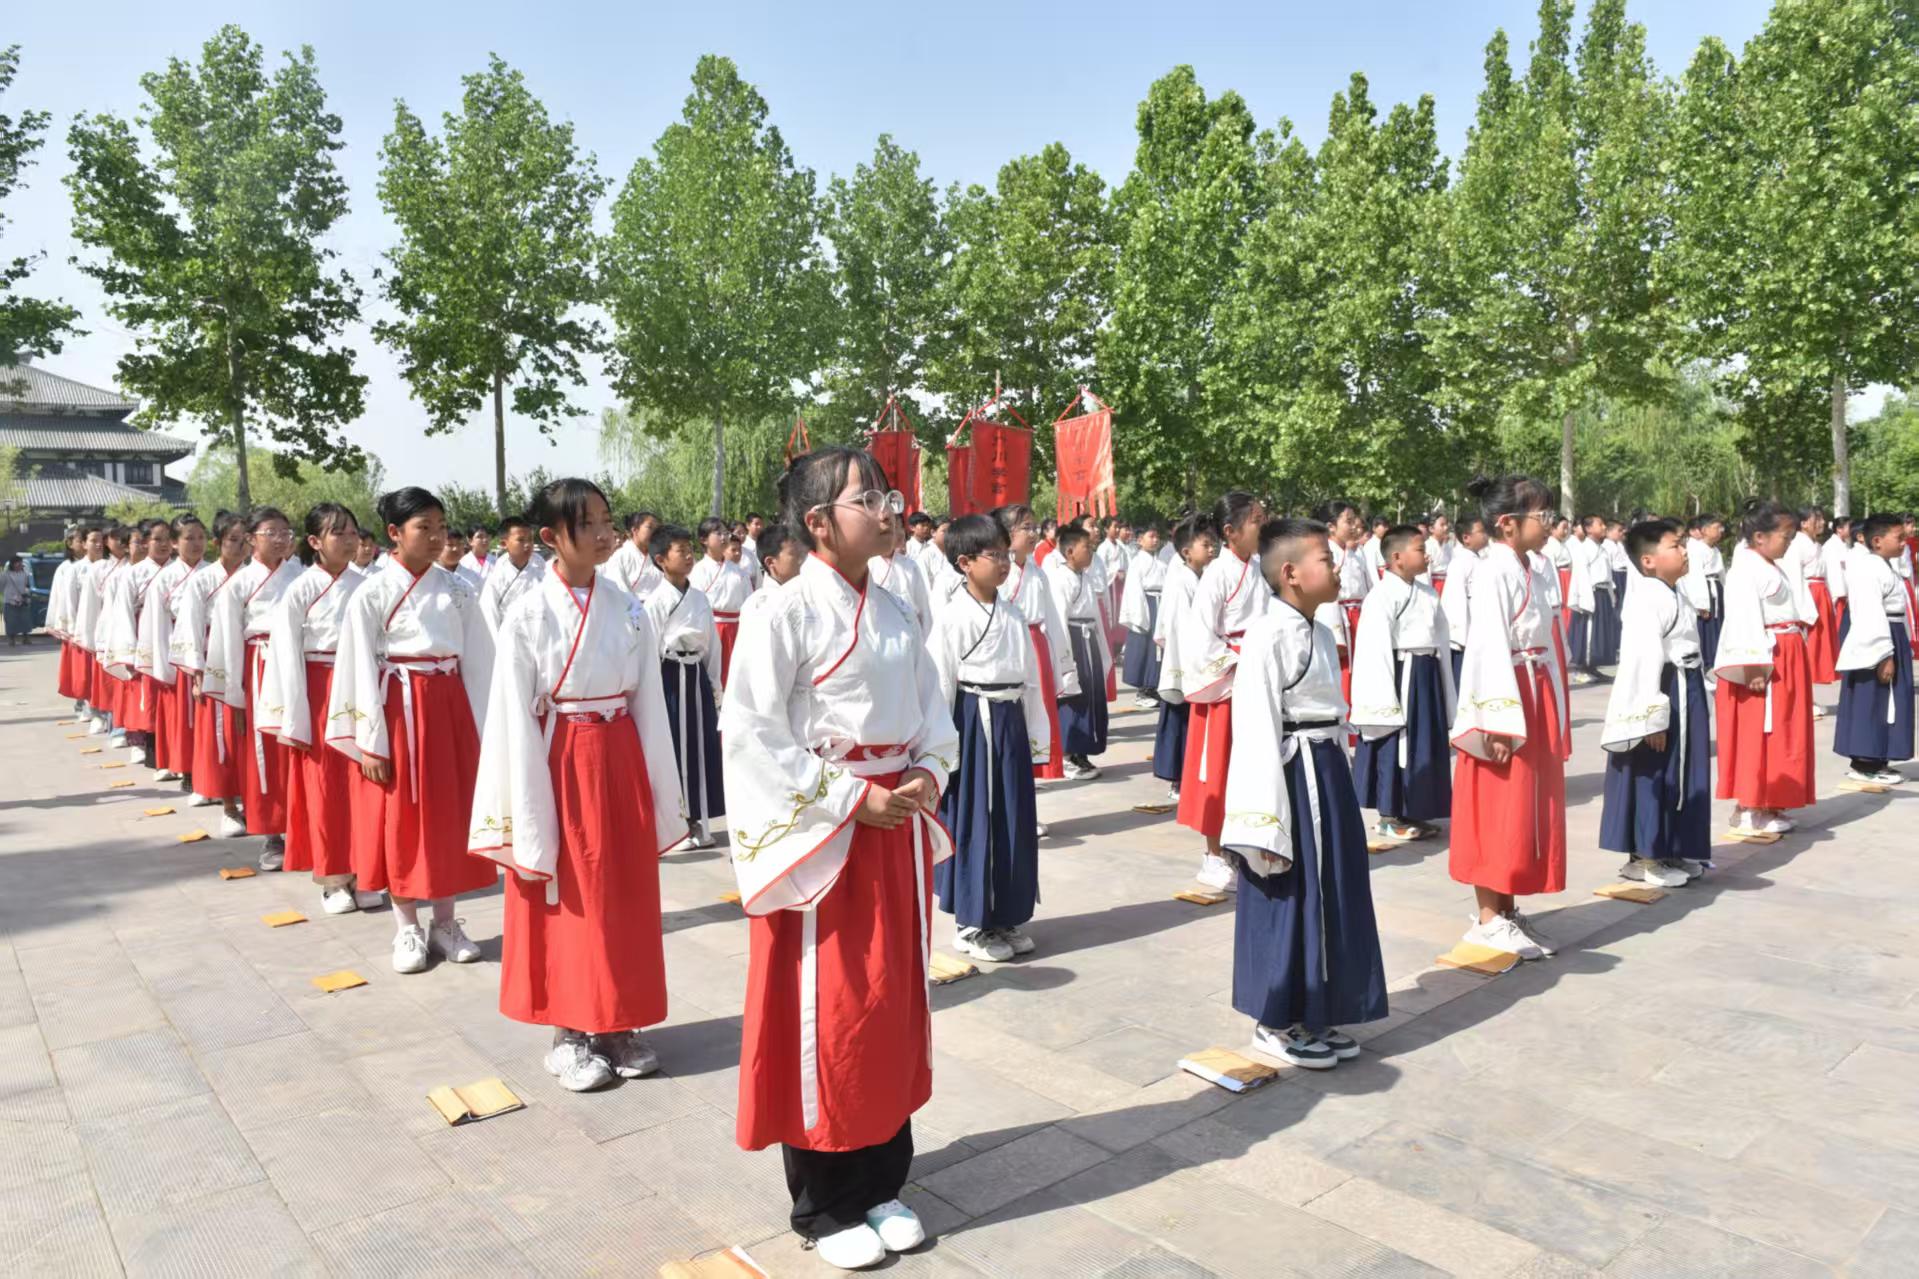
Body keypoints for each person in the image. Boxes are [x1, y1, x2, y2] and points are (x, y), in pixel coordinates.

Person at [720, 447, 956, 1271]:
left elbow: (933, 710)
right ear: (819, 521)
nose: (889, 510)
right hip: (824, 835)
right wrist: (852, 797)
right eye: (869, 498)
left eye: (888, 495)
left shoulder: (895, 608)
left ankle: (883, 1180)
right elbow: (751, 730)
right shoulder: (777, 611)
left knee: (888, 1002)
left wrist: (927, 770)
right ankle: (824, 1202)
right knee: (828, 1011)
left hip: (893, 826)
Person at [470, 477, 689, 1093]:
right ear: (550, 536)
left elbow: (649, 701)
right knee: (570, 892)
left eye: (606, 520)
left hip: (621, 751)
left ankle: (618, 1022)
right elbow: (512, 711)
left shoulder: (627, 606)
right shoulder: (529, 612)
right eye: (586, 523)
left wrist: (658, 783)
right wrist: (524, 802)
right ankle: (568, 1033)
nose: (602, 533)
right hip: (561, 756)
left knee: (623, 892)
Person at [1220, 517, 1388, 1069]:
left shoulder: (1318, 630)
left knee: (1332, 887)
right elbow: (1255, 728)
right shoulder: (1267, 634)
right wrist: (1261, 822)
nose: (1337, 569)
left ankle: (1318, 1008)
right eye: (1326, 559)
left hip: (1326, 767)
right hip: (1289, 775)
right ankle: (1274, 1019)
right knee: (1288, 891)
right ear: (1290, 573)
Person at [327, 487, 496, 973]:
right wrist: (370, 741)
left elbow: (481, 660)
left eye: (441, 526)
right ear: (395, 533)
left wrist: (488, 728)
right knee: (401, 818)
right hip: (398, 708)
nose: (437, 536)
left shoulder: (460, 590)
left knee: (448, 815)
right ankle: (406, 927)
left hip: (449, 707)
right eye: (425, 527)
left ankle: (445, 922)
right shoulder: (372, 592)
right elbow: (357, 665)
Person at [1449, 474, 1566, 960]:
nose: (1549, 523)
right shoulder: (1492, 571)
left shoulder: (1531, 566)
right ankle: (1487, 917)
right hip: (1507, 693)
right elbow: (1486, 646)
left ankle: (1508, 908)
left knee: (1524, 805)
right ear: (1508, 524)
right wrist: (1495, 721)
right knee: (1498, 803)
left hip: (1533, 687)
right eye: (1541, 515)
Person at [929, 514, 1048, 965]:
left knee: (1013, 817)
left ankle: (1007, 914)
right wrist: (942, 749)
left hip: (1009, 719)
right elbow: (940, 684)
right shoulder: (951, 617)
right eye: (994, 555)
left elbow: (1030, 679)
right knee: (976, 818)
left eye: (1006, 554)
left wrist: (1034, 732)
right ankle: (972, 921)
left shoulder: (1012, 613)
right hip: (972, 721)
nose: (1004, 563)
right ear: (964, 562)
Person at [259, 503, 374, 915]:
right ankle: (333, 879)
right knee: (325, 788)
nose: (349, 540)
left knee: (364, 784)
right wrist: (294, 714)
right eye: (338, 532)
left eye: (352, 532)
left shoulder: (368, 586)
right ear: (315, 541)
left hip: (362, 689)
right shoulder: (299, 590)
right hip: (319, 691)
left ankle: (365, 871)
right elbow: (284, 654)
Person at [1598, 520, 1711, 889]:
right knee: (1656, 772)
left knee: (1681, 771)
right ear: (1648, 560)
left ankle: (1672, 848)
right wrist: (1652, 717)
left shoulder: (1673, 591)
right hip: (1663, 688)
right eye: (1675, 545)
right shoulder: (1647, 597)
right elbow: (1643, 659)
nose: (1684, 551)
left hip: (1685, 684)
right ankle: (1646, 856)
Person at [1178, 492, 1269, 892]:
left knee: (1253, 768)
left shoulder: (1261, 568)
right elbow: (1200, 635)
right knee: (1218, 768)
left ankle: (1244, 844)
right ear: (1231, 531)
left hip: (1258, 675)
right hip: (1227, 685)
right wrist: (1234, 662)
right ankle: (1213, 854)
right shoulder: (1217, 573)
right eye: (1256, 521)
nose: (1263, 527)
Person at [203, 508, 303, 869]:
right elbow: (228, 641)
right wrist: (235, 695)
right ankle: (272, 834)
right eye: (270, 532)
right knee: (266, 752)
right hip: (259, 665)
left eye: (285, 532)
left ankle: (304, 831)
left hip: (299, 665)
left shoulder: (301, 576)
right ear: (252, 539)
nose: (280, 539)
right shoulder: (239, 584)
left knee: (300, 747)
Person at [1713, 500, 1816, 836]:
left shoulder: (1767, 565)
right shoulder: (1746, 568)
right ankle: (1750, 806)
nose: (1789, 543)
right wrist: (1754, 665)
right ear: (1760, 536)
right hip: (1766, 658)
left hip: (1786, 653)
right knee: (1759, 732)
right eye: (1785, 536)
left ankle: (1770, 801)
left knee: (1782, 731)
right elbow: (1742, 617)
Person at [1350, 526, 1455, 842]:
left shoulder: (1427, 592)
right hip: (1400, 675)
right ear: (1397, 557)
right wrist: (1383, 697)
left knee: (1425, 742)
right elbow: (1374, 647)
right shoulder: (1381, 596)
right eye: (1420, 549)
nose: (1427, 555)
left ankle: (1414, 809)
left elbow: (1442, 637)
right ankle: (1389, 814)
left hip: (1426, 673)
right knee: (1397, 741)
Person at [642, 523, 726, 851]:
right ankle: (675, 824)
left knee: (701, 747)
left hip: (695, 677)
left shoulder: (700, 598)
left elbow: (713, 645)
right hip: (670, 677)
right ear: (661, 559)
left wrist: (715, 685)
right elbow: (649, 650)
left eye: (690, 550)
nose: (689, 556)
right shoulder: (655, 602)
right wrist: (651, 696)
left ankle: (699, 818)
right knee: (674, 748)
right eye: (681, 551)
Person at [994, 504, 1076, 792]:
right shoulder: (998, 571)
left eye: (1034, 527)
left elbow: (1051, 619)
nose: (1033, 533)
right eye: (1025, 528)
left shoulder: (1037, 572)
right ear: (1007, 533)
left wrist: (1062, 663)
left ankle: (1031, 774)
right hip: (1009, 646)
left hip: (1036, 646)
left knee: (1037, 714)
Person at [177, 513, 250, 834]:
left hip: (251, 659)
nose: (241, 546)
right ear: (218, 542)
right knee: (223, 737)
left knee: (251, 736)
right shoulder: (203, 580)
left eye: (246, 539)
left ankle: (254, 801)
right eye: (233, 540)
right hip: (216, 661)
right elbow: (191, 627)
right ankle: (229, 807)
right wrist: (197, 676)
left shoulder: (254, 575)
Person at [1832, 513, 1914, 786]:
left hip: (1893, 633)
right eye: (1898, 537)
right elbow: (1870, 613)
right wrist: (1884, 654)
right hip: (1878, 638)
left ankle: (1880, 758)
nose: (1903, 542)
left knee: (1890, 700)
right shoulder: (1868, 568)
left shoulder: (1883, 565)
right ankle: (1865, 762)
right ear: (1877, 541)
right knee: (1872, 701)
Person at [1153, 515, 1219, 810]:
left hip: (1197, 657)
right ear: (1186, 552)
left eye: (1212, 543)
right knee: (1179, 719)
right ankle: (1177, 779)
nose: (1212, 549)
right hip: (1185, 659)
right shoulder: (1182, 581)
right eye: (1206, 545)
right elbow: (1179, 628)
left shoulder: (1200, 577)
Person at [1043, 525, 1112, 780]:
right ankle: (1067, 753)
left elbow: (1094, 615)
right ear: (1070, 551)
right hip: (1072, 639)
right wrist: (1066, 659)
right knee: (1073, 696)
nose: (1091, 551)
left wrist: (1102, 649)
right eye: (1086, 547)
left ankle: (1082, 751)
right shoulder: (1060, 578)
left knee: (1090, 697)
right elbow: (1059, 620)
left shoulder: (1084, 576)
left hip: (1088, 638)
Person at [145, 516, 206, 784]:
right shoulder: (165, 579)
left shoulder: (214, 572)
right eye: (189, 538)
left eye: (201, 537)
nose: (196, 543)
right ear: (174, 543)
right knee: (183, 717)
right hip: (179, 653)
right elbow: (157, 625)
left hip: (211, 649)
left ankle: (210, 771)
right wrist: (164, 664)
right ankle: (187, 769)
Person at [690, 516, 753, 686]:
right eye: (718, 533)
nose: (724, 537)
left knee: (736, 675)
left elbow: (749, 601)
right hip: (711, 627)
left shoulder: (739, 572)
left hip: (737, 627)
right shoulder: (699, 571)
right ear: (704, 540)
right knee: (713, 673)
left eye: (725, 533)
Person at [1790, 508, 1840, 703]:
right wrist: (1802, 608)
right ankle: (1805, 697)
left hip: (1821, 592)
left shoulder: (1817, 545)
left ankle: (1811, 695)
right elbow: (1795, 577)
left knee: (1821, 642)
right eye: (1816, 519)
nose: (1822, 522)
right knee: (1810, 643)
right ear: (1803, 523)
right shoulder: (1796, 545)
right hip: (1808, 593)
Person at [1117, 524, 1168, 709]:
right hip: (1146, 605)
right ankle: (1143, 689)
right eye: (1151, 536)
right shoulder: (1137, 562)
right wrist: (1140, 615)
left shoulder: (1161, 563)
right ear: (1140, 540)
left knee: (1159, 648)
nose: (1155, 540)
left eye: (1157, 537)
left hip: (1160, 603)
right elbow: (1134, 590)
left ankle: (1155, 686)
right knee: (1145, 648)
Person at [1441, 515, 1489, 688]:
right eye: (1481, 531)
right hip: (1465, 637)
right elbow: (1455, 601)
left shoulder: (1480, 560)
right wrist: (1460, 637)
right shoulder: (1460, 563)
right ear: (1466, 538)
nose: (1485, 534)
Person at [479, 515, 545, 633]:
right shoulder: (496, 579)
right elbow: (489, 618)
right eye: (521, 540)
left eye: (530, 539)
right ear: (504, 544)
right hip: (508, 638)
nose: (527, 544)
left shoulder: (542, 573)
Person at [869, 522, 933, 635]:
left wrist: (927, 632)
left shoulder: (910, 565)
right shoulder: (869, 564)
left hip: (911, 625)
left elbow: (923, 603)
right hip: (882, 626)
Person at [1681, 515, 1727, 670]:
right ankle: (1706, 660)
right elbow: (1696, 577)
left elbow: (1722, 574)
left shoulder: (1715, 550)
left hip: (1716, 587)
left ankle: (1717, 656)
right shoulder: (1695, 549)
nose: (1720, 531)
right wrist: (1701, 603)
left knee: (1718, 622)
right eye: (1716, 528)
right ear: (1705, 530)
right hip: (1705, 588)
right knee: (1706, 623)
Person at [606, 511, 662, 599]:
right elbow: (619, 588)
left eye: (657, 529)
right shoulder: (620, 556)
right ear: (635, 530)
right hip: (631, 605)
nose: (654, 533)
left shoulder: (660, 557)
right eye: (650, 527)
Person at [1424, 513, 1454, 595]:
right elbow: (1426, 573)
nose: (1446, 527)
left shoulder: (1448, 547)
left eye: (1446, 524)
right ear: (1431, 529)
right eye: (1442, 525)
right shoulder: (1427, 546)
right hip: (1434, 586)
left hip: (1448, 585)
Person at [1, 556, 28, 645]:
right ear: (12, 564)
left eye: (21, 562)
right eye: (18, 562)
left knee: (24, 620)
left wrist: (25, 595)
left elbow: (26, 585)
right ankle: (11, 639)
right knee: (10, 621)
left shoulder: (24, 574)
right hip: (9, 601)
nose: (20, 564)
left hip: (22, 600)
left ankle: (25, 638)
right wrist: (9, 594)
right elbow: (1, 586)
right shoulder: (5, 574)